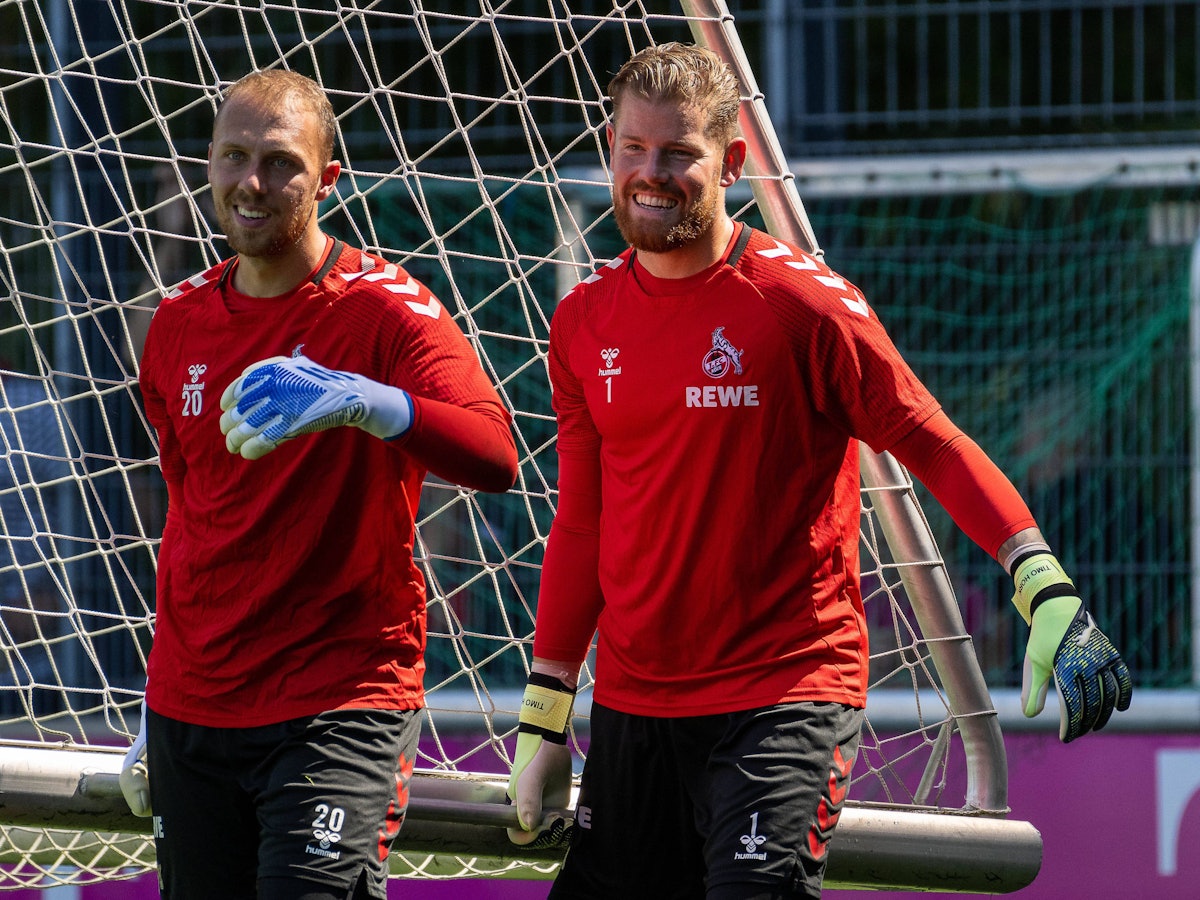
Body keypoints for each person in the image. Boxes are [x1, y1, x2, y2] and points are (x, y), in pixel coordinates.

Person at [505, 43, 1132, 899]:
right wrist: (546, 710)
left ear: (730, 162)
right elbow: (582, 519)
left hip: (781, 698)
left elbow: (934, 442)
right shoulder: (582, 320)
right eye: (632, 149)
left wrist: (1043, 583)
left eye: (678, 153)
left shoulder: (801, 304)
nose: (650, 174)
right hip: (633, 709)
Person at [128, 69, 518, 900]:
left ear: (328, 179)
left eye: (281, 163)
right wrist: (155, 694)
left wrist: (371, 403)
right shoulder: (175, 325)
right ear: (208, 163)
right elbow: (192, 515)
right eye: (234, 157)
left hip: (334, 706)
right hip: (191, 708)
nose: (253, 184)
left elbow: (495, 453)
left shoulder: (387, 310)